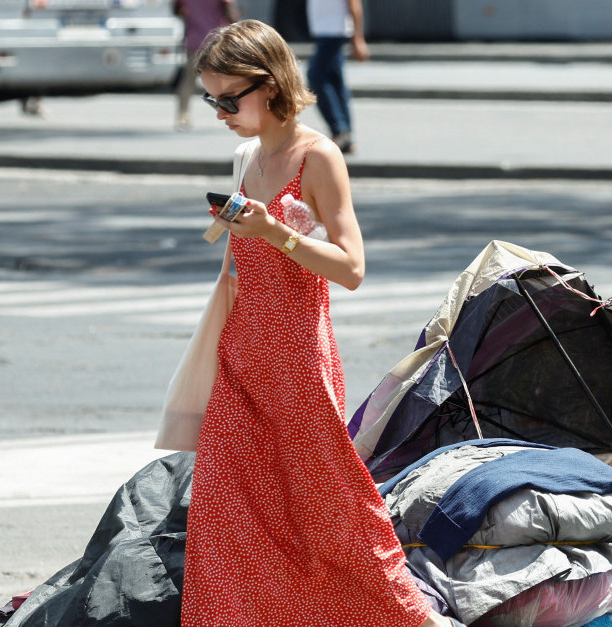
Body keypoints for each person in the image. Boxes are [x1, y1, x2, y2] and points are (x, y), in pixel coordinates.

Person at [183, 19, 451, 627]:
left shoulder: (318, 156)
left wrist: (276, 232)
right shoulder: (248, 156)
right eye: (210, 99)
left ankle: (396, 617)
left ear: (271, 86)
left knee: (331, 509)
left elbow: (353, 267)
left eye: (229, 99)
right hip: (241, 357)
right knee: (227, 514)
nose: (219, 111)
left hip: (299, 363)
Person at [306, 0, 370, 153]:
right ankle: (345, 134)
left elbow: (355, 4)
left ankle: (340, 129)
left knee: (316, 76)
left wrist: (358, 39)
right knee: (335, 81)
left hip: (335, 31)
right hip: (325, 31)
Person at [173, 0, 239, 130]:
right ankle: (229, 112)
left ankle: (183, 114)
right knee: (226, 78)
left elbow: (176, 9)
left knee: (188, 80)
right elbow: (229, 10)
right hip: (217, 40)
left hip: (194, 40)